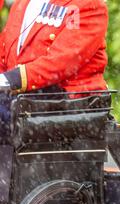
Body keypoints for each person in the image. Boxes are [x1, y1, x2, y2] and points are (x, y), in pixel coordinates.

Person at [0, 0, 108, 134]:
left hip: (66, 102)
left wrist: (11, 79)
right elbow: (4, 54)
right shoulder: (22, 3)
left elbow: (62, 61)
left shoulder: (87, 4)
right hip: (22, 98)